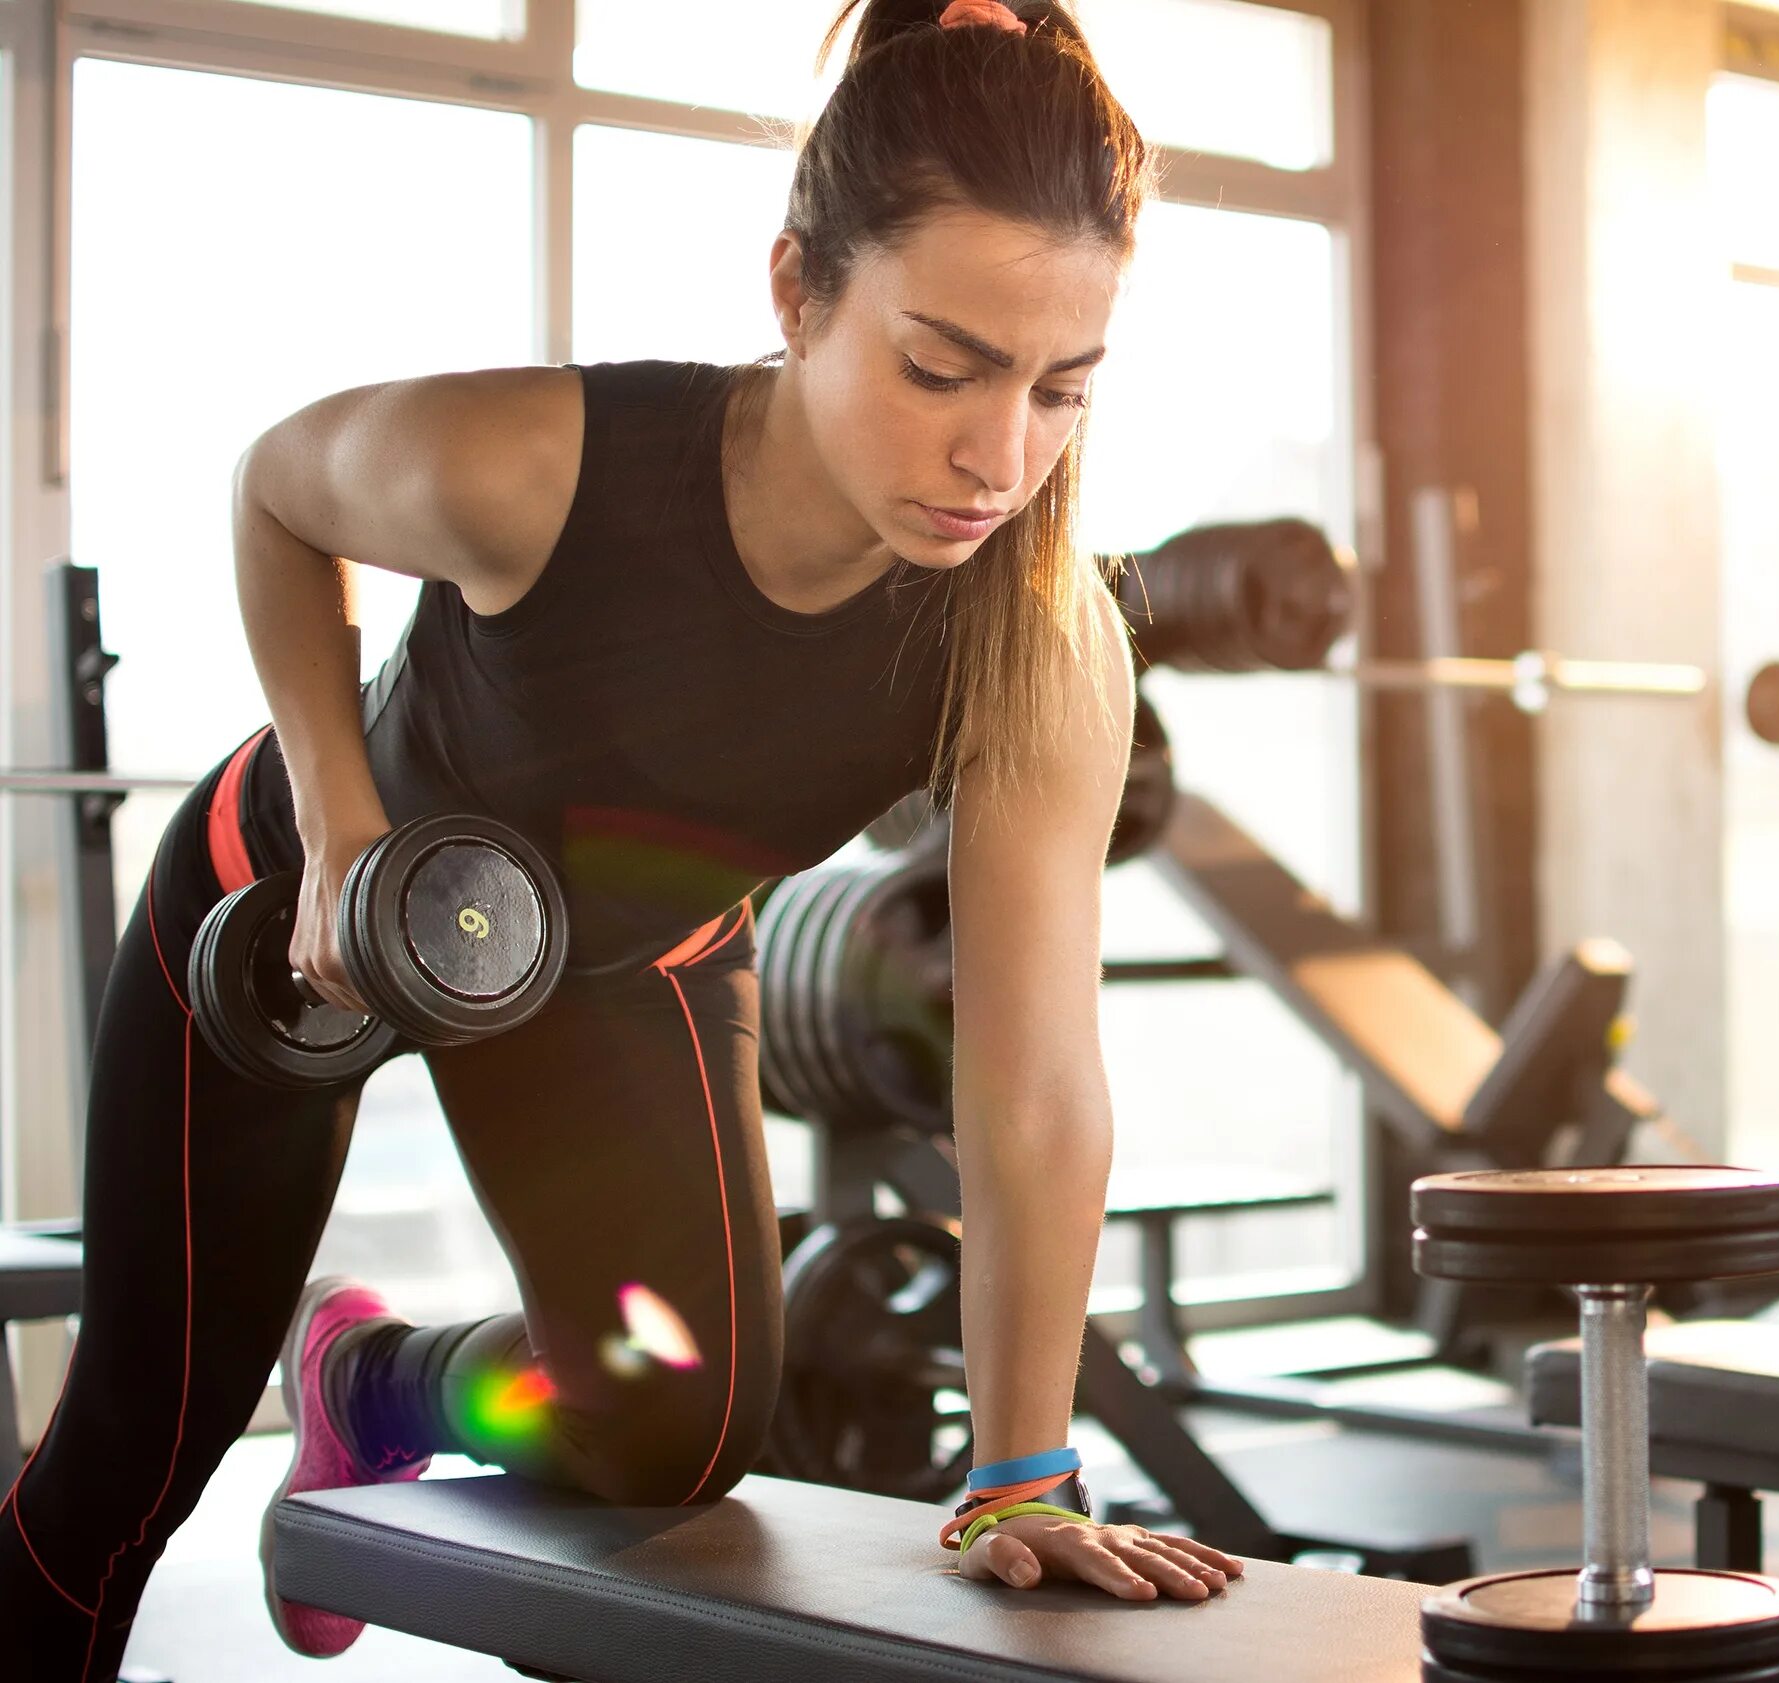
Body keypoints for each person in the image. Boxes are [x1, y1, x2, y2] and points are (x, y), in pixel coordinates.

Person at [0, 3, 1243, 1675]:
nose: (995, 457)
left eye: (1060, 390)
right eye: (940, 367)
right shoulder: (542, 464)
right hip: (307, 907)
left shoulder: (1036, 642)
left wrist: (1018, 1475)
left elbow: (1028, 1080)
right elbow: (277, 489)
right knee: (131, 1458)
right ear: (799, 288)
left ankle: (376, 1381)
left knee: (679, 1431)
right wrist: (343, 820)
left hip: (615, 959)